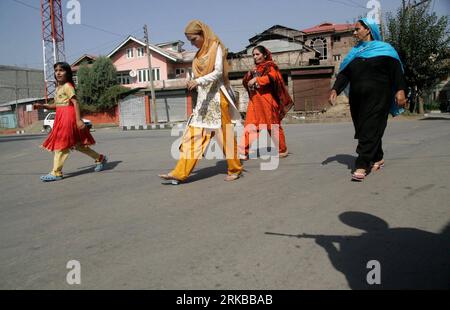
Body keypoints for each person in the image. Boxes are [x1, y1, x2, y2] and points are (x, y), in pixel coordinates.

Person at [159, 20, 243, 184]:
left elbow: (218, 72)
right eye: (189, 41)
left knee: (225, 136)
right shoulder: (198, 55)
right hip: (204, 100)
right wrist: (193, 80)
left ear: (203, 34)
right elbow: (198, 76)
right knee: (194, 136)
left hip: (218, 97)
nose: (192, 43)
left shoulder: (215, 47)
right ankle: (179, 172)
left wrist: (198, 81)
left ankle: (235, 168)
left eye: (193, 39)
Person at [329, 18, 407, 182]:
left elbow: (396, 72)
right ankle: (378, 157)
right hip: (357, 99)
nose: (355, 33)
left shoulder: (385, 50)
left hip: (379, 97)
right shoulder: (355, 53)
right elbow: (345, 74)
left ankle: (362, 164)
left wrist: (400, 90)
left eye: (357, 29)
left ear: (368, 30)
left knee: (370, 128)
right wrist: (335, 89)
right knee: (363, 127)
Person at [34, 62, 107, 182]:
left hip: (68, 118)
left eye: (61, 70)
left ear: (67, 73)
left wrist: (78, 120)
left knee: (61, 144)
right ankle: (100, 158)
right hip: (61, 117)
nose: (58, 72)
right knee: (78, 145)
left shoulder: (68, 86)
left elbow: (75, 103)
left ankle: (56, 172)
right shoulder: (59, 88)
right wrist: (42, 106)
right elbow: (57, 105)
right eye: (56, 70)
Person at [240, 46, 293, 160]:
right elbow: (245, 81)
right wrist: (249, 75)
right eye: (253, 55)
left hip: (267, 101)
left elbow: (273, 77)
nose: (255, 57)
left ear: (264, 55)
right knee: (250, 125)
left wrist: (257, 80)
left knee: (272, 126)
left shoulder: (270, 66)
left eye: (257, 54)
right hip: (254, 100)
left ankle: (282, 149)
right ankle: (243, 151)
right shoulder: (255, 69)